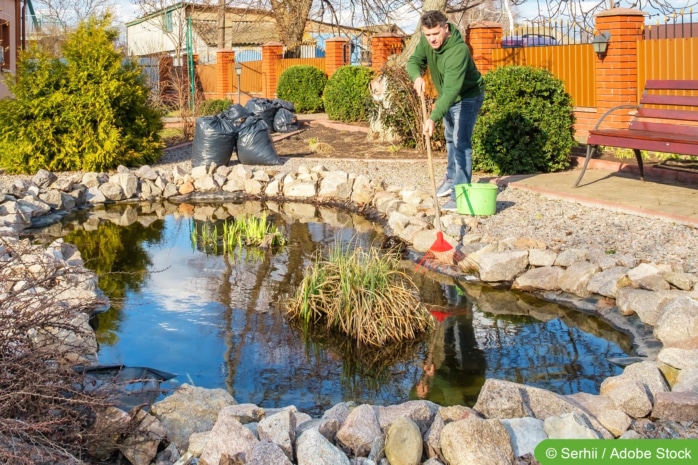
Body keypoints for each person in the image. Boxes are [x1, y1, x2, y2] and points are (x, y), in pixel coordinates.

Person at [406, 10, 485, 212]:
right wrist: (416, 77)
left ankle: (461, 193)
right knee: (450, 138)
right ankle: (451, 179)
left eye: (436, 34)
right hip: (448, 96)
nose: (432, 39)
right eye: (428, 35)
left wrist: (432, 117)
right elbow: (414, 61)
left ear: (445, 28)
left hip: (467, 97)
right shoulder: (427, 42)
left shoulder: (458, 51)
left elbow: (451, 91)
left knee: (461, 144)